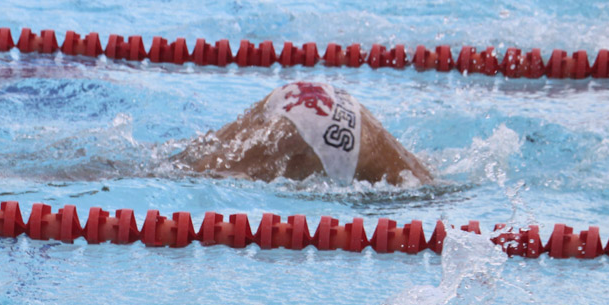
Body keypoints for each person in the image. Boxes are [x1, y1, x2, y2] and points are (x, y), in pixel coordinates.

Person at [174, 81, 431, 185]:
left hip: (313, 94)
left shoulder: (414, 170)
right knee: (206, 175)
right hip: (323, 125)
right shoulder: (419, 187)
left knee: (184, 163)